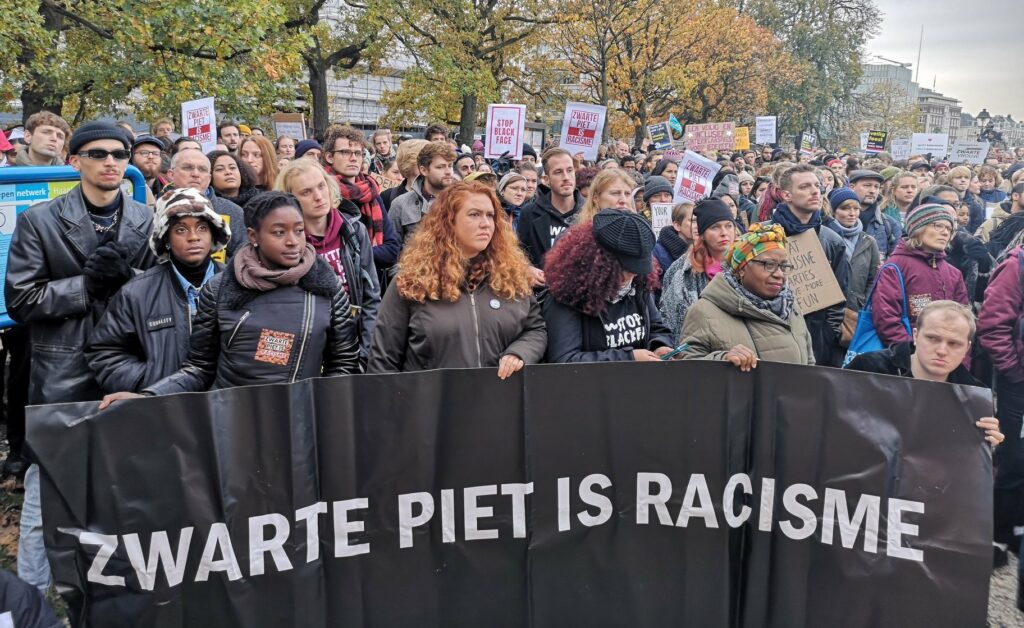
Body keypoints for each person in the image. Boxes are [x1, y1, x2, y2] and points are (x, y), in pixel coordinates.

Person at [5, 121, 157, 592]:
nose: (111, 161)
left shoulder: (143, 219)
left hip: (126, 367)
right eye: (98, 153)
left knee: (121, 486)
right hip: (61, 369)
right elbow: (21, 300)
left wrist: (127, 276)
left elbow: (157, 294)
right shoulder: (41, 220)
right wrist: (83, 286)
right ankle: (32, 598)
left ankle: (113, 588)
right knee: (44, 491)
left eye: (120, 152)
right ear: (76, 161)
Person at [100, 192, 362, 408]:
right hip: (232, 426)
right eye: (279, 232)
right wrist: (149, 395)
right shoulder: (220, 288)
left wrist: (319, 410)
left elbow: (343, 365)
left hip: (301, 420)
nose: (293, 242)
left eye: (299, 230)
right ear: (253, 236)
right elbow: (200, 368)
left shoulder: (327, 288)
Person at [368, 182, 545, 374]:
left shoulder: (510, 275)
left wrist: (519, 353)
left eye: (490, 215)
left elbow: (535, 329)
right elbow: (383, 359)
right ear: (449, 221)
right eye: (474, 214)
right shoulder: (412, 281)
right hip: (429, 402)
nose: (486, 223)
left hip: (497, 400)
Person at [87, 189, 229, 392]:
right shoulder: (136, 292)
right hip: (164, 408)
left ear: (214, 233)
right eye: (180, 230)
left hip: (227, 405)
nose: (193, 237)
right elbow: (104, 352)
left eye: (202, 228)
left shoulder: (236, 284)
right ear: (166, 239)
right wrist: (154, 383)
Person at [275, 159, 381, 362]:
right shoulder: (288, 243)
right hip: (309, 346)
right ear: (290, 199)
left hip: (354, 339)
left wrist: (367, 352)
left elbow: (371, 296)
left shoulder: (353, 231)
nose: (318, 196)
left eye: (321, 186)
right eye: (306, 192)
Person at [846, 300, 1001, 434]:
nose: (941, 351)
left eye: (954, 343)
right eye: (932, 338)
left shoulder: (973, 395)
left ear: (967, 348)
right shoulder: (868, 368)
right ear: (916, 335)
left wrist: (985, 442)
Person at [543, 209, 673, 362]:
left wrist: (659, 345)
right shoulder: (566, 298)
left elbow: (657, 327)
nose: (633, 275)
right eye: (626, 269)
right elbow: (565, 360)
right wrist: (629, 358)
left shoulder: (638, 283)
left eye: (637, 269)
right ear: (599, 264)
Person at [679, 223, 814, 366]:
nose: (779, 274)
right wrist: (722, 359)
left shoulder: (791, 307)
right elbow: (688, 367)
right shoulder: (703, 312)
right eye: (769, 264)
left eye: (784, 266)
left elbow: (809, 362)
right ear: (742, 269)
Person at [762, 163, 848, 366]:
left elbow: (840, 294)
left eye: (817, 186)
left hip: (818, 338)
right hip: (771, 332)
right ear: (786, 195)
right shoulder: (762, 236)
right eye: (804, 187)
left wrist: (829, 333)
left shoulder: (832, 240)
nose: (814, 191)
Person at [977, 248, 1024, 565]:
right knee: (1013, 458)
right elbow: (993, 323)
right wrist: (1014, 373)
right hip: (1019, 384)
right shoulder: (1017, 266)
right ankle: (997, 537)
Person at [870, 202, 968, 347]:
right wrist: (912, 353)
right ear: (918, 229)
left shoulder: (954, 273)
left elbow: (962, 319)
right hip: (906, 358)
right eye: (938, 225)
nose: (945, 232)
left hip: (946, 357)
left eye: (949, 228)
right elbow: (886, 318)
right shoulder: (894, 267)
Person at [321, 125, 402, 277]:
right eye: (345, 152)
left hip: (371, 282)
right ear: (329, 157)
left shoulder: (371, 192)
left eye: (358, 153)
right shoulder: (321, 192)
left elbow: (391, 250)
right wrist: (369, 252)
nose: (353, 158)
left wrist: (352, 254)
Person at [661, 199, 737, 341]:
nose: (724, 233)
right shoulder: (681, 271)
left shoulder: (747, 265)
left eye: (729, 226)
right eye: (715, 227)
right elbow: (673, 321)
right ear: (702, 233)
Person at [165, 148, 246, 258]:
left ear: (209, 178)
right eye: (188, 168)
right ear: (171, 175)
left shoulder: (233, 211)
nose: (196, 174)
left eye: (202, 169)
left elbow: (242, 259)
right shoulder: (156, 212)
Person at [517, 147, 584, 281]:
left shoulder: (592, 212)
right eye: (558, 172)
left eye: (569, 170)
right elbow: (518, 254)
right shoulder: (529, 213)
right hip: (542, 295)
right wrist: (526, 269)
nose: (566, 177)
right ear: (546, 179)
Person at [824, 188, 879, 346]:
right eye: (845, 208)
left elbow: (872, 278)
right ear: (834, 211)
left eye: (856, 208)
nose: (852, 213)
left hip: (857, 311)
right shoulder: (826, 238)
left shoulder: (868, 241)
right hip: (830, 312)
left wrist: (863, 303)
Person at [389, 141, 456, 244]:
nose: (448, 172)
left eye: (450, 166)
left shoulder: (462, 201)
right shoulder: (401, 204)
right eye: (440, 167)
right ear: (424, 170)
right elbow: (392, 248)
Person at [849, 169, 901, 257]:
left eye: (876, 187)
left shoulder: (889, 224)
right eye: (867, 186)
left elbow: (894, 260)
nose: (872, 191)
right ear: (852, 187)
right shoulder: (837, 220)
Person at [652, 202, 695, 284]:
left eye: (700, 220)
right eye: (692, 221)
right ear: (677, 225)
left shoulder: (704, 249)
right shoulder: (656, 253)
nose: (698, 225)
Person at [945, 165, 986, 233]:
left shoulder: (976, 206)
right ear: (950, 180)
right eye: (958, 177)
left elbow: (976, 232)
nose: (963, 180)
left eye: (966, 178)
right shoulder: (943, 200)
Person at [130, 134, 166, 207]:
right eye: (144, 153)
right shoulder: (123, 188)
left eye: (156, 153)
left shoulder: (168, 189)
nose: (151, 157)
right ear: (132, 157)